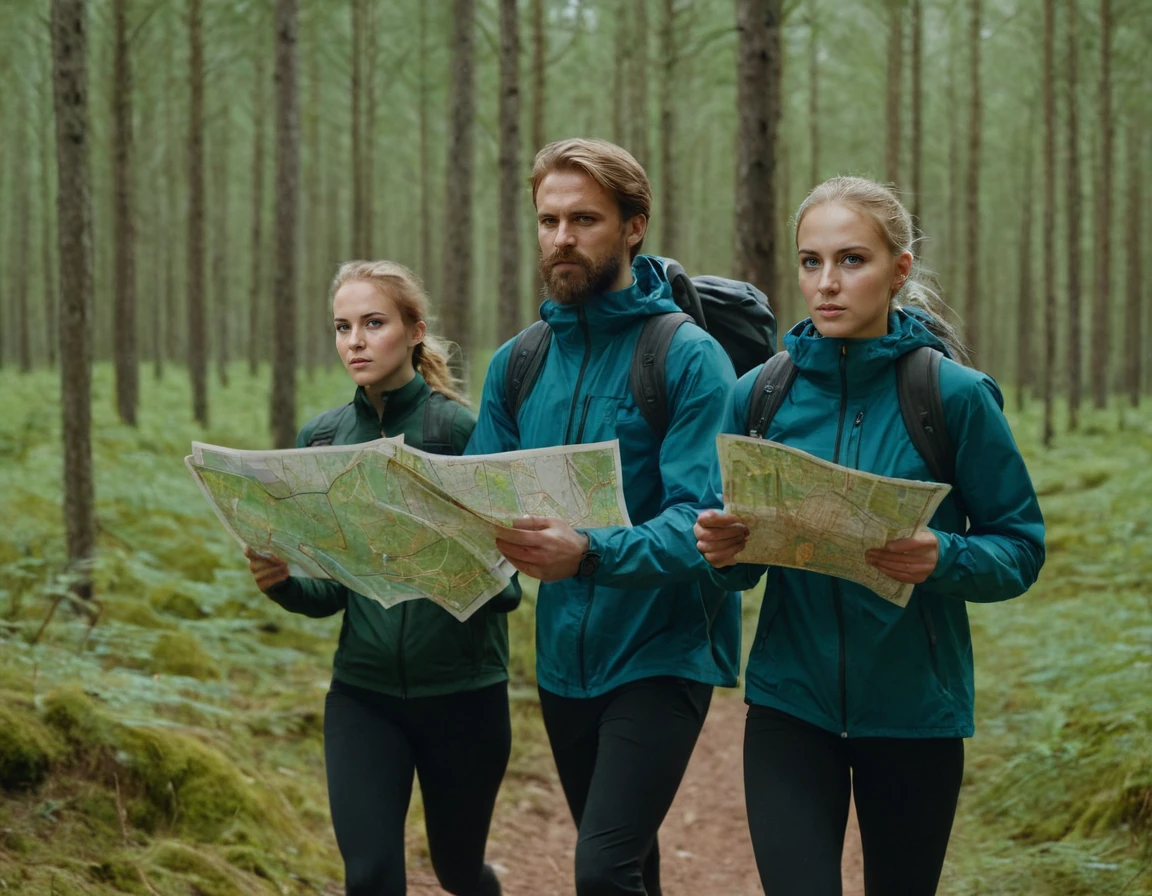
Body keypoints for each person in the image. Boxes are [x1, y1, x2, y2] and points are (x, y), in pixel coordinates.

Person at [695, 176, 1046, 896]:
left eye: (851, 260)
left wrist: (944, 556)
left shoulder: (952, 397)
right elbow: (734, 565)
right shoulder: (757, 395)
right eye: (810, 261)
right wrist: (724, 554)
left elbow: (1020, 546)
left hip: (915, 716)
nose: (826, 283)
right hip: (790, 708)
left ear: (900, 270)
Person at [466, 138, 743, 896]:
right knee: (625, 863)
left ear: (633, 226)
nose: (562, 237)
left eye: (584, 218)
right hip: (562, 659)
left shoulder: (686, 358)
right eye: (548, 219)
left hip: (667, 648)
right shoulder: (517, 362)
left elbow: (703, 520)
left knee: (602, 867)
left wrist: (587, 554)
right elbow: (480, 498)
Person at [245, 260, 518, 896]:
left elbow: (507, 588)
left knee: (457, 871)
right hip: (362, 697)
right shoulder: (323, 439)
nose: (356, 341)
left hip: (465, 696)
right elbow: (333, 592)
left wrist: (437, 558)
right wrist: (281, 582)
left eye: (374, 323)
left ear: (414, 330)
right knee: (369, 876)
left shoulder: (460, 430)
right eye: (343, 327)